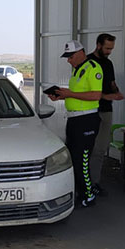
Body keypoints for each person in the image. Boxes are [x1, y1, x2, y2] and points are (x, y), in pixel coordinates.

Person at [48, 40, 104, 208]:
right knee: (73, 158)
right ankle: (81, 191)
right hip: (73, 119)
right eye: (67, 57)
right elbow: (78, 94)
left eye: (70, 56)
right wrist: (62, 96)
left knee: (82, 159)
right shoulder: (76, 69)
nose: (68, 60)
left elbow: (96, 95)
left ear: (81, 53)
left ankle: (89, 195)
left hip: (86, 120)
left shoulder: (93, 68)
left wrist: (70, 93)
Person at [87, 33, 124, 196]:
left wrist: (117, 91)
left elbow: (112, 83)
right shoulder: (87, 63)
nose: (109, 51)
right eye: (107, 48)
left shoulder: (108, 64)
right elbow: (84, 90)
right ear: (98, 45)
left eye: (112, 49)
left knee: (100, 149)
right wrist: (105, 96)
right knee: (87, 148)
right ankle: (83, 183)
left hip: (106, 111)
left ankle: (94, 182)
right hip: (89, 111)